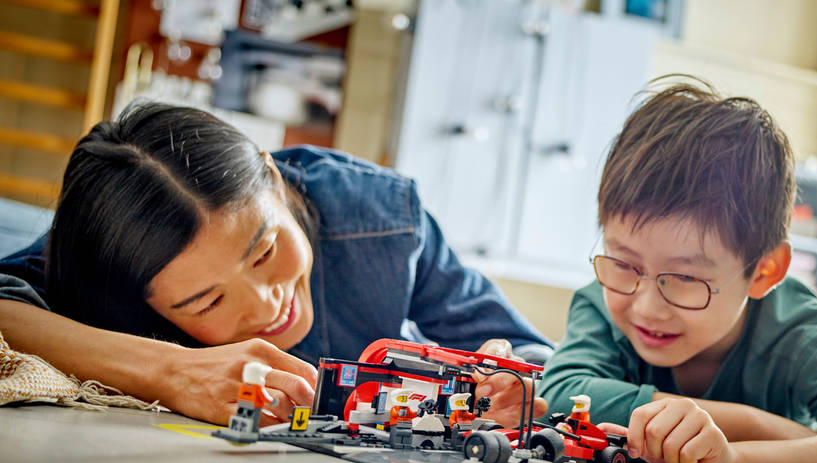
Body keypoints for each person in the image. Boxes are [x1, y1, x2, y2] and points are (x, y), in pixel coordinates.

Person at [0, 102, 551, 427]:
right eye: (206, 301)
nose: (268, 302)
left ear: (275, 179)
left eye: (264, 251)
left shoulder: (380, 214)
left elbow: (528, 350)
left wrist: (509, 380)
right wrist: (170, 372)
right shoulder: (112, 250)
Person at [539, 79, 817, 463]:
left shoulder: (802, 332)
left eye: (687, 279)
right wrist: (766, 428)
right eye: (626, 263)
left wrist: (730, 461)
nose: (647, 306)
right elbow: (560, 396)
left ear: (764, 271)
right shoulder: (602, 301)